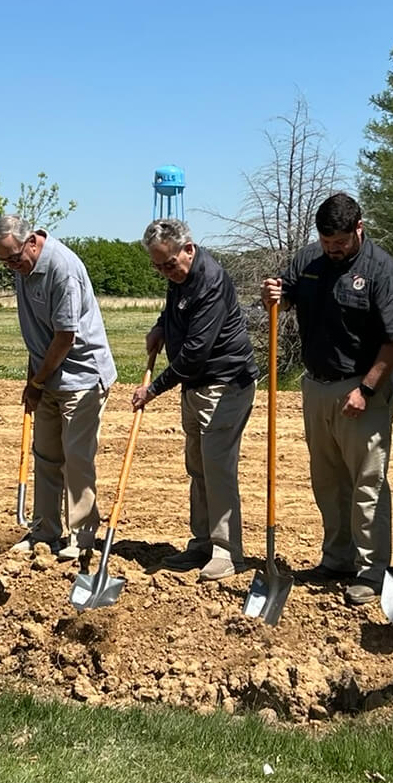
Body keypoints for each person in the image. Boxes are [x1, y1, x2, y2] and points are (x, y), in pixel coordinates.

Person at [261, 193, 393, 606]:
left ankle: (373, 569)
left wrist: (366, 389)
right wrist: (273, 295)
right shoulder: (309, 259)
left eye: (341, 243)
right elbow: (284, 296)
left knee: (367, 482)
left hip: (362, 386)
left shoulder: (384, 271)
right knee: (328, 480)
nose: (333, 250)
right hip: (316, 385)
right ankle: (338, 558)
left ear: (358, 229)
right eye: (327, 242)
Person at [131, 218, 257, 581]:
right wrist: (160, 326)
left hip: (224, 384)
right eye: (158, 267)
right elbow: (175, 307)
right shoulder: (181, 277)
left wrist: (152, 389)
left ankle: (227, 552)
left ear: (188, 248)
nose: (166, 272)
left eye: (169, 264)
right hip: (196, 386)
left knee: (217, 469)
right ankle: (202, 543)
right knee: (198, 467)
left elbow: (194, 354)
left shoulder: (210, 280)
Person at [0, 215, 117, 560]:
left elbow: (64, 337)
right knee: (46, 456)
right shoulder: (22, 269)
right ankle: (45, 532)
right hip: (47, 375)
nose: (11, 266)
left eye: (14, 257)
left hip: (81, 377)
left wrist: (36, 382)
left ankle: (82, 536)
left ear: (31, 241)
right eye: (3, 261)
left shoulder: (63, 269)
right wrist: (32, 380)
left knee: (76, 459)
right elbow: (38, 336)